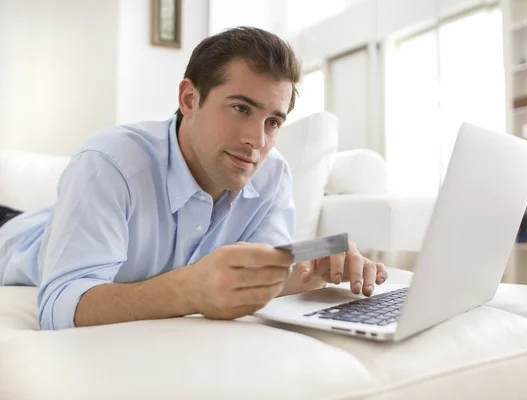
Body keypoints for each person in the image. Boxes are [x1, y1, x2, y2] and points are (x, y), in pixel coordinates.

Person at [0, 26, 387, 331]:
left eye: (273, 121)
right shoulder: (109, 162)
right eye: (240, 108)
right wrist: (188, 290)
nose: (257, 140)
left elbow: (260, 275)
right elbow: (58, 306)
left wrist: (312, 270)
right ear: (189, 100)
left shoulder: (272, 176)